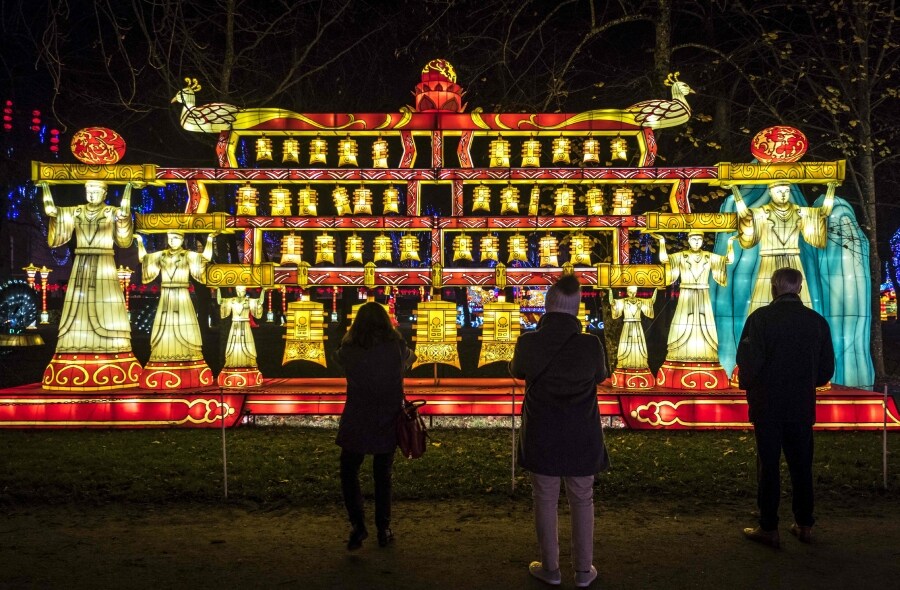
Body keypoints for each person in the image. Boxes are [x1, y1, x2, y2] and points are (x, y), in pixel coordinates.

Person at [510, 274, 608, 588]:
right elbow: (601, 376)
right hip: (582, 431)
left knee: (545, 498)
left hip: (542, 430)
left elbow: (517, 371)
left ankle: (550, 568)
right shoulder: (591, 344)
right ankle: (583, 570)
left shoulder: (528, 342)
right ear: (576, 309)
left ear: (547, 308)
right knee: (582, 498)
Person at [737, 267, 834, 548]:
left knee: (768, 466)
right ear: (800, 288)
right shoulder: (816, 322)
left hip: (767, 404)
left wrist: (751, 386)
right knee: (802, 465)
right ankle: (805, 524)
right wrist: (806, 382)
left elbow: (748, 361)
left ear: (774, 288)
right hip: (801, 404)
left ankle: (769, 527)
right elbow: (826, 369)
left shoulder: (761, 319)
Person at [40, 180, 141, 389]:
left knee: (107, 307)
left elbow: (124, 237)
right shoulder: (76, 212)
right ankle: (75, 347)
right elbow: (53, 211)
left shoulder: (112, 212)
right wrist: (45, 187)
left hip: (105, 263)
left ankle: (112, 346)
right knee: (78, 305)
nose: (92, 194)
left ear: (105, 193)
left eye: (97, 191)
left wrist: (123, 216)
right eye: (89, 190)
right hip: (81, 264)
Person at [335, 301, 415, 551]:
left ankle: (358, 524)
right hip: (387, 417)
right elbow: (411, 359)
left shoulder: (349, 348)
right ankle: (384, 528)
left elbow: (339, 360)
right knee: (383, 474)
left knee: (349, 470)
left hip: (358, 415)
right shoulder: (397, 347)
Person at [731, 182, 835, 314]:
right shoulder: (761, 213)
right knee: (765, 297)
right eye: (778, 191)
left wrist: (831, 188)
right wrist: (735, 192)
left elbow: (823, 212)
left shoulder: (800, 212)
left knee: (797, 304)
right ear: (770, 193)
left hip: (793, 261)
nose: (783, 194)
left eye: (786, 190)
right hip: (769, 263)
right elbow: (745, 216)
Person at [136, 232, 214, 388]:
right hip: (166, 295)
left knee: (184, 326)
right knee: (164, 326)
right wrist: (139, 242)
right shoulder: (161, 255)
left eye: (177, 238)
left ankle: (188, 357)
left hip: (182, 295)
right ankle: (163, 356)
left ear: (182, 240)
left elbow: (205, 257)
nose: (173, 241)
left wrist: (210, 239)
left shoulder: (187, 255)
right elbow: (144, 258)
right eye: (170, 238)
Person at [657, 231, 733, 364]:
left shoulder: (708, 257)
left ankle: (705, 353)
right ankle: (679, 353)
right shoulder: (682, 256)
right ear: (688, 240)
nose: (696, 241)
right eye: (693, 239)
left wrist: (730, 243)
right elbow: (664, 259)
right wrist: (662, 242)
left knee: (704, 322)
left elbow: (728, 260)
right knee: (683, 321)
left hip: (703, 294)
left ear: (703, 241)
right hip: (686, 294)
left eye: (699, 239)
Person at [608, 286, 656, 371]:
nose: (633, 294)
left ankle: (639, 362)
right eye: (630, 292)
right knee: (626, 345)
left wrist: (656, 290)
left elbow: (651, 301)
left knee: (639, 345)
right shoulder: (624, 301)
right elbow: (613, 303)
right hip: (627, 326)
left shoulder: (640, 301)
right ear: (627, 292)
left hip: (637, 326)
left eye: (634, 292)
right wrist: (610, 291)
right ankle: (625, 362)